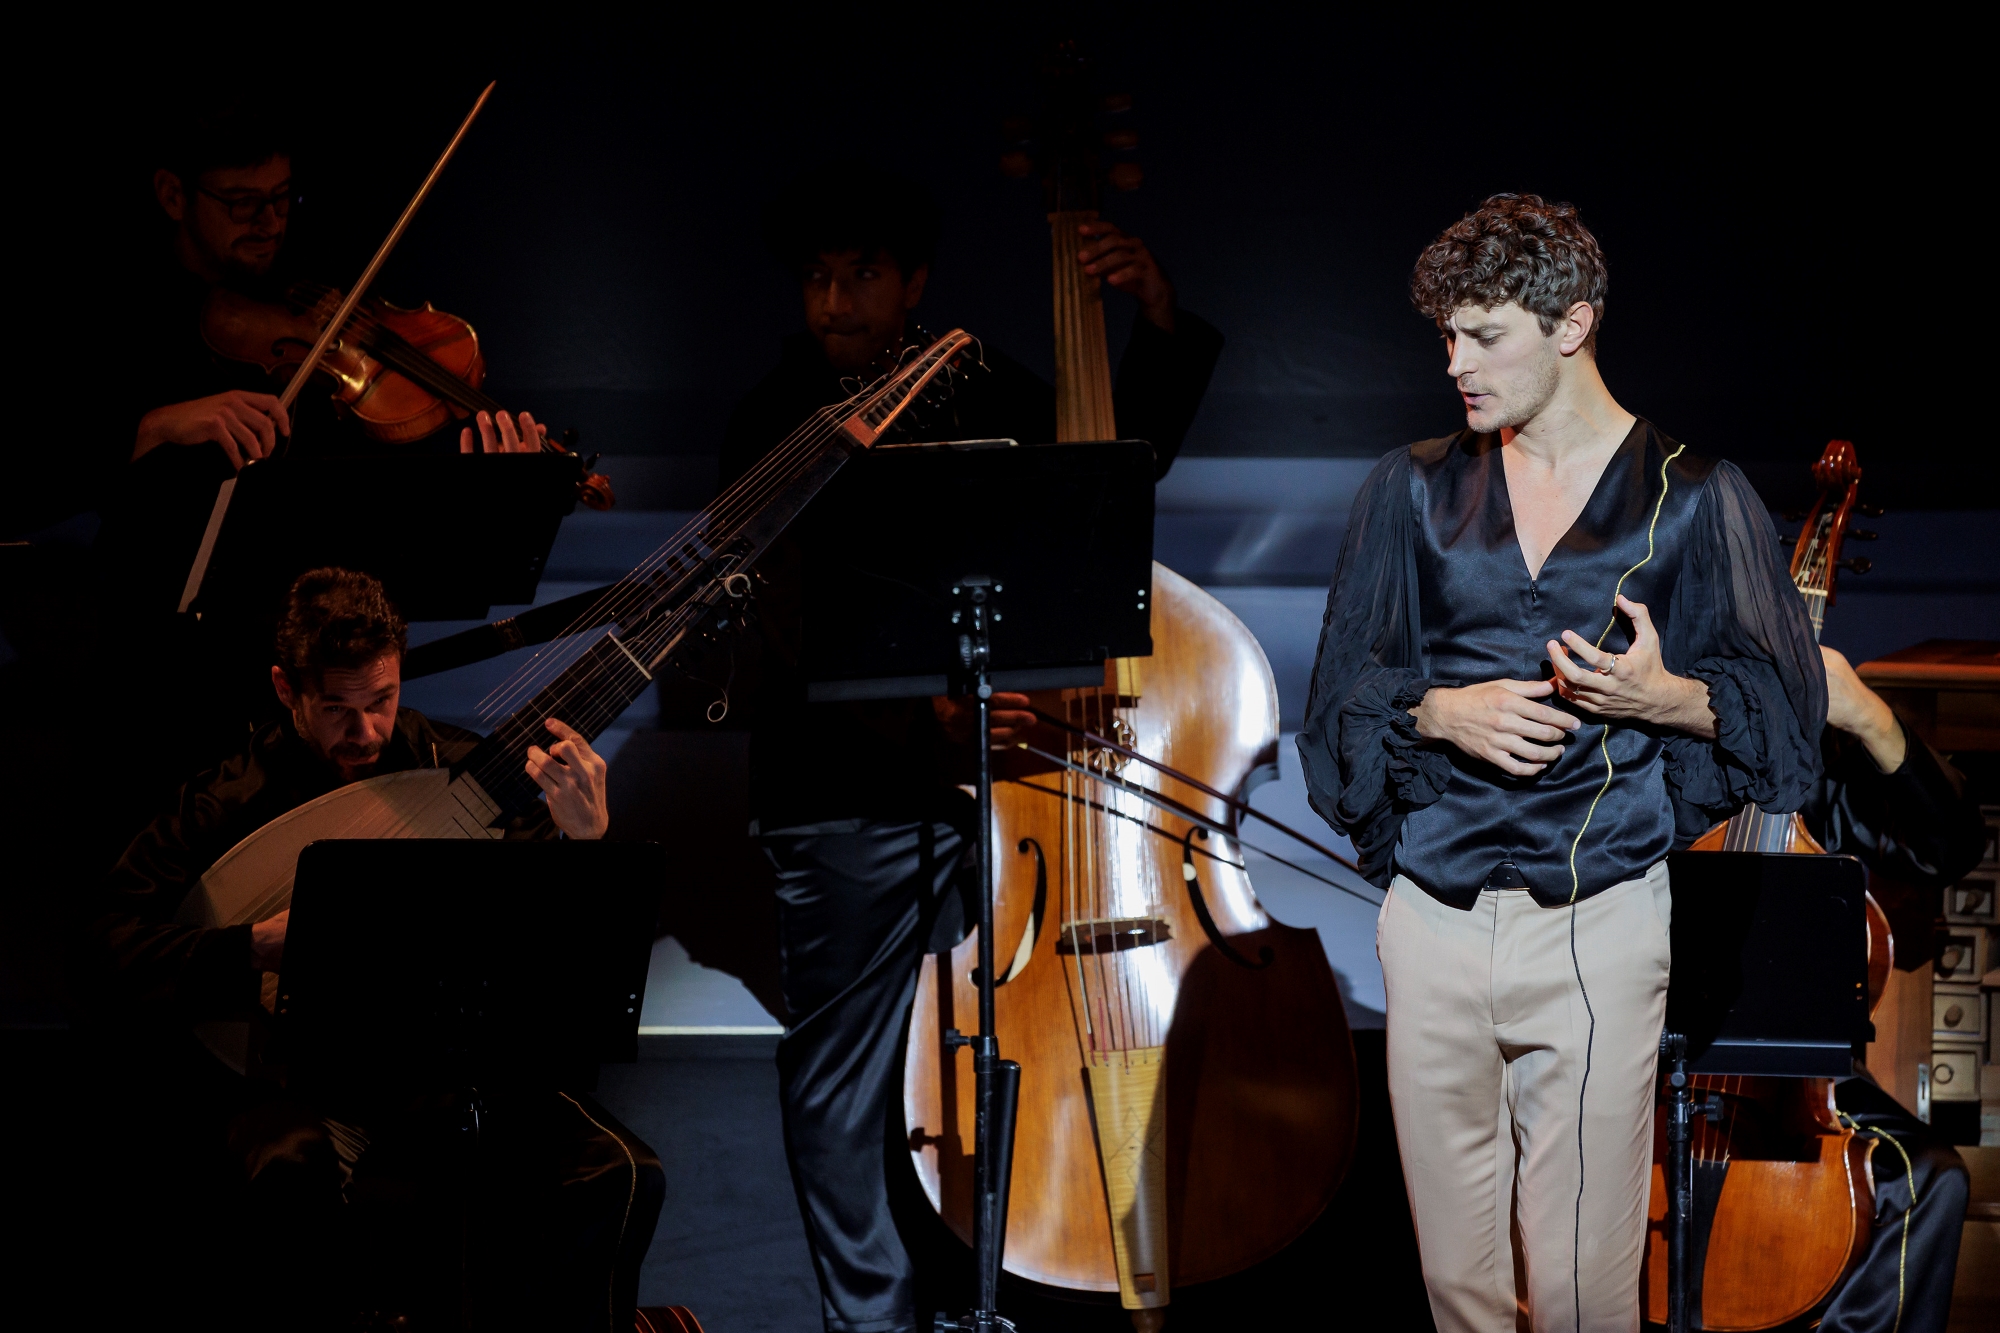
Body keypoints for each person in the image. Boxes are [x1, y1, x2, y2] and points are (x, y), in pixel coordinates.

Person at [1299, 193, 1825, 1329]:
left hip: (1595, 922)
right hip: (1432, 920)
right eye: (1444, 336)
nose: (1454, 362)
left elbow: (1785, 719)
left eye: (1481, 334)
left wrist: (1663, 697)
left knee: (1584, 1290)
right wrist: (1435, 712)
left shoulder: (1691, 498)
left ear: (1570, 326)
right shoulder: (1408, 488)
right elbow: (1336, 701)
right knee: (1456, 1286)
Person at [715, 166, 1222, 1333]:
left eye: (861, 276)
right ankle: (873, 1318)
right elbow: (785, 616)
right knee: (845, 1073)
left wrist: (1153, 322)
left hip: (991, 791)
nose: (835, 303)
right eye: (816, 279)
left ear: (914, 285)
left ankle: (979, 1289)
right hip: (841, 792)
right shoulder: (772, 416)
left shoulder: (972, 379)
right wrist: (927, 716)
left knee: (976, 1056)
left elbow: (1105, 475)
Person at [90, 567, 661, 1329]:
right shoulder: (223, 803)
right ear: (285, 688)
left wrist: (587, 847)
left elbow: (562, 962)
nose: (364, 733)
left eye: (381, 701)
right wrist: (251, 947)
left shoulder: (460, 774)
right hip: (296, 1082)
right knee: (291, 1169)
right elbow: (105, 949)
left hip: (450, 1078)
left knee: (621, 1171)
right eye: (336, 708)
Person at [1806, 645, 1984, 1333]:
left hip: (1807, 1077)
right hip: (1648, 1054)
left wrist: (1869, 717)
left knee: (1932, 1179)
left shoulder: (1828, 769)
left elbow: (1951, 842)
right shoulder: (1663, 717)